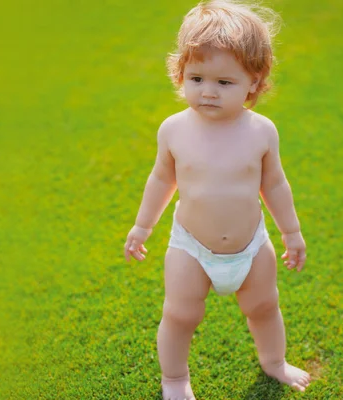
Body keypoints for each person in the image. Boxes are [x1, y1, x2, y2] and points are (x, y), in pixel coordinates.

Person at [124, 1, 310, 398]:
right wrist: (143, 226)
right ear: (180, 74)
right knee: (180, 314)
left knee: (264, 308)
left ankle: (274, 362)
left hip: (251, 245)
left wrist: (291, 233)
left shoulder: (261, 131)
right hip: (191, 246)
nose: (208, 92)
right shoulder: (174, 130)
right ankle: (174, 380)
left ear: (254, 84)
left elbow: (274, 184)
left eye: (224, 83)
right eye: (196, 78)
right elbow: (161, 178)